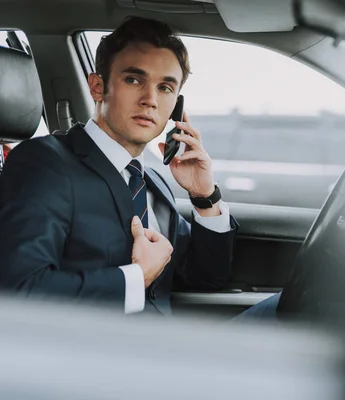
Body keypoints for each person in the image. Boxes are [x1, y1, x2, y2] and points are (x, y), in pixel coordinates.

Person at [0, 17, 252, 315]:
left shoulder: (154, 180)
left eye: (165, 88)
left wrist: (204, 196)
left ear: (177, 107)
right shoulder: (43, 163)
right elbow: (18, 293)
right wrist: (134, 279)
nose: (150, 100)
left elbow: (206, 278)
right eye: (134, 80)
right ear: (97, 86)